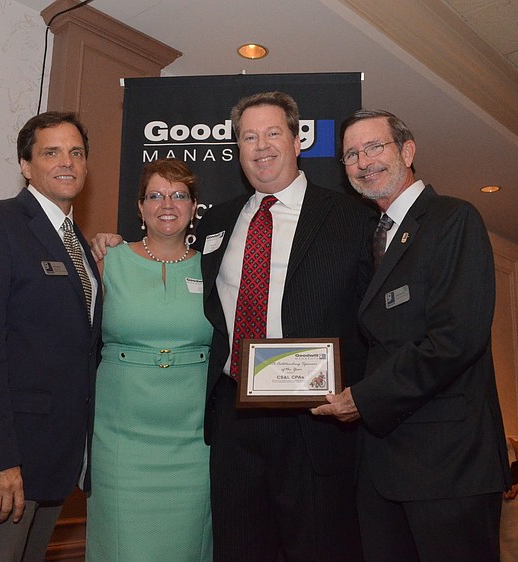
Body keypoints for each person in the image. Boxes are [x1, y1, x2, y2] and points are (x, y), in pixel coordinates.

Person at [312, 109, 510, 561]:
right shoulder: (370, 238)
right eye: (351, 155)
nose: (364, 162)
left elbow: (456, 339)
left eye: (374, 147)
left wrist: (364, 398)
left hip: (448, 466)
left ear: (407, 150)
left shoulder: (453, 219)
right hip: (383, 466)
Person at [196, 91, 375, 561]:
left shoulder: (351, 218)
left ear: (298, 141)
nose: (261, 146)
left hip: (317, 420)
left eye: (273, 133)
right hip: (234, 419)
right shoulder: (217, 220)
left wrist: (363, 394)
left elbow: (376, 323)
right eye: (248, 137)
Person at [0, 111, 102, 561]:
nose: (66, 162)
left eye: (76, 152)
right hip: (5, 466)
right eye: (51, 152)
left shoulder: (76, 243)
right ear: (26, 165)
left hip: (50, 464)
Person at [85, 159, 213, 561]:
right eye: (155, 195)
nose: (167, 204)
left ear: (195, 207)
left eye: (179, 195)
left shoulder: (217, 264)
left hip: (195, 445)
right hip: (121, 445)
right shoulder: (107, 260)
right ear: (139, 207)